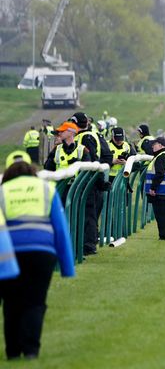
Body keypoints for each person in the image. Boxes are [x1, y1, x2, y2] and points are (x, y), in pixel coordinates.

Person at [0, 151, 75, 360]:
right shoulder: (47, 189)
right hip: (42, 252)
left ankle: (13, 352)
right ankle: (31, 351)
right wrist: (67, 266)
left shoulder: (2, 191)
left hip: (9, 252)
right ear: (33, 170)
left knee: (12, 303)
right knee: (35, 302)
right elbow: (60, 230)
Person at [70, 112, 112, 256]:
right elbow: (107, 156)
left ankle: (87, 246)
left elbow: (94, 159)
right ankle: (87, 243)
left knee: (88, 215)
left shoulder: (86, 137)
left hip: (86, 181)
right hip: (91, 180)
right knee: (89, 215)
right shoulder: (95, 135)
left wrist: (98, 179)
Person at [145, 138, 165, 240]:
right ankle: (164, 236)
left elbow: (159, 174)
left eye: (155, 144)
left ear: (161, 146)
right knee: (164, 217)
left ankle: (164, 237)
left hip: (161, 192)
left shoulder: (161, 157)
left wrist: (153, 188)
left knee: (162, 217)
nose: (153, 146)